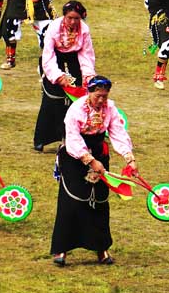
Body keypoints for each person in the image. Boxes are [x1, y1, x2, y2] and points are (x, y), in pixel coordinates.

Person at [51, 75, 137, 267]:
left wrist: (129, 157)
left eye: (105, 96)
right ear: (89, 93)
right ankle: (62, 248)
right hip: (75, 156)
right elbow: (72, 138)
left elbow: (117, 132)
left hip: (99, 151)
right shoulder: (76, 110)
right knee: (72, 201)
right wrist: (89, 160)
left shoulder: (110, 108)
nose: (101, 100)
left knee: (99, 200)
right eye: (98, 96)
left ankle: (101, 247)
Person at [33, 0, 96, 153]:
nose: (73, 21)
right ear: (64, 16)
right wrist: (57, 75)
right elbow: (48, 55)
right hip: (55, 60)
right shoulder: (54, 28)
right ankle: (42, 138)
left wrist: (87, 74)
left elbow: (86, 54)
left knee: (75, 100)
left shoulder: (84, 30)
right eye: (70, 18)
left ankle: (70, 138)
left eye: (76, 18)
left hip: (74, 61)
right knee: (52, 98)